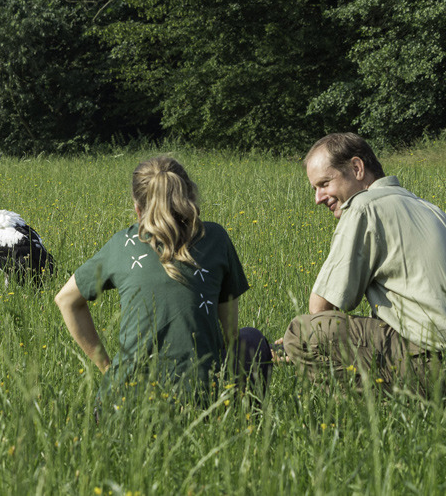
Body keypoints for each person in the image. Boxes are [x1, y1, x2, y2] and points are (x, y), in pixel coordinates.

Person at [55, 156, 272, 410]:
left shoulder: (121, 244)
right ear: (190, 197)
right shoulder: (216, 238)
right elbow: (230, 335)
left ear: (137, 209)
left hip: (123, 406)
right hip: (202, 405)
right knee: (252, 339)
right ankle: (245, 420)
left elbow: (65, 299)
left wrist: (107, 367)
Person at [279, 132, 446, 395]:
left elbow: (321, 308)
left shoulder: (364, 206)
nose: (318, 198)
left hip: (428, 361)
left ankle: (377, 415)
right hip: (436, 351)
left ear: (357, 168)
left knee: (304, 334)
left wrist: (291, 348)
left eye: (324, 183)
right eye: (315, 188)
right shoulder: (430, 209)